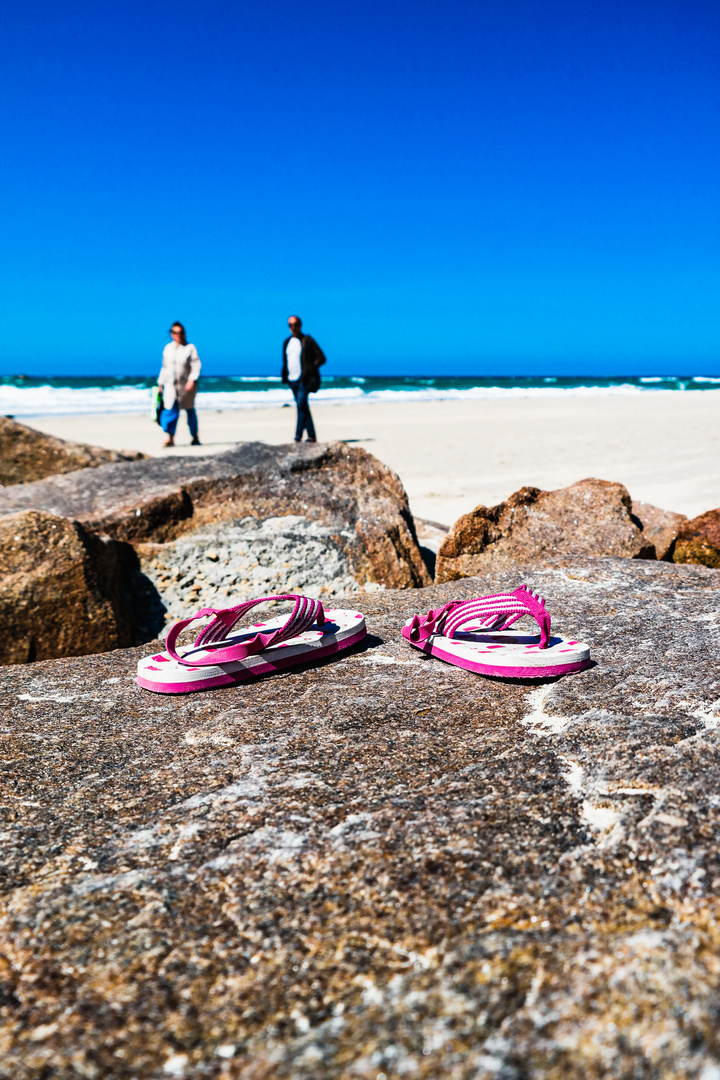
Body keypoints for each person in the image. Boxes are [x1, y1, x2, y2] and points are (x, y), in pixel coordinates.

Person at [281, 315, 326, 443]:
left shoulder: (307, 340)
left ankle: (298, 435)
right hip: (292, 380)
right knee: (302, 407)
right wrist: (285, 376)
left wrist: (310, 369)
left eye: (295, 324)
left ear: (300, 325)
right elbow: (286, 361)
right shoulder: (287, 343)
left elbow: (321, 357)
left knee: (301, 404)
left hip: (304, 379)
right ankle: (311, 436)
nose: (293, 328)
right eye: (290, 325)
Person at [158, 322, 202, 447]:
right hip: (170, 386)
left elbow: (196, 365)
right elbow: (164, 367)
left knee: (190, 411)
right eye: (176, 333)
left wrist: (192, 380)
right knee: (170, 411)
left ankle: (195, 436)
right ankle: (170, 437)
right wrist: (160, 383)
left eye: (181, 332)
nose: (179, 335)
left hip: (186, 386)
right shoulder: (168, 348)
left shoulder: (190, 348)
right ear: (172, 334)